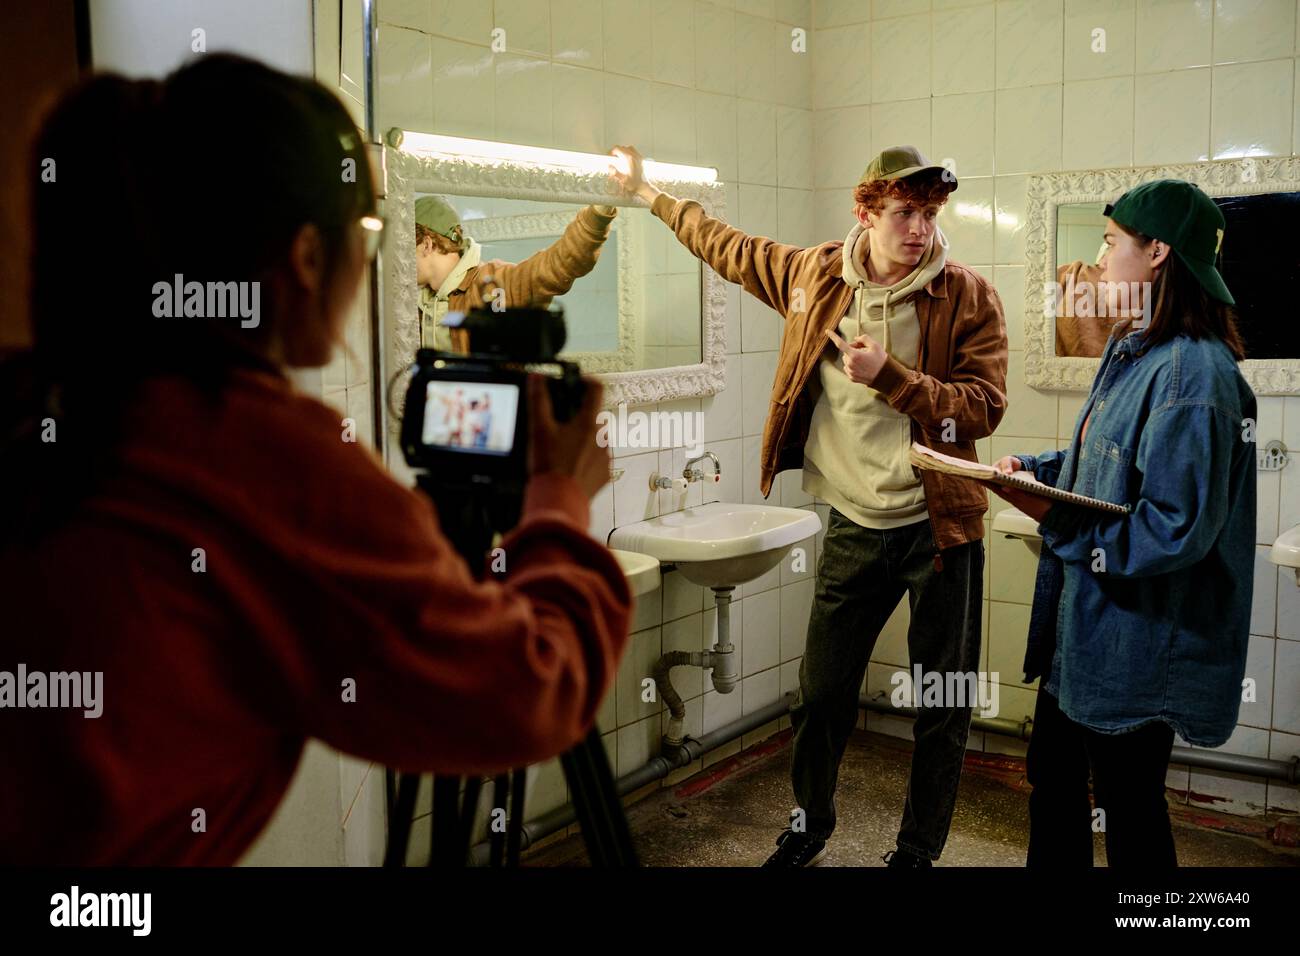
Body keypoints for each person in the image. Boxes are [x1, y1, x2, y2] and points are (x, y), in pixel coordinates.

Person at [0, 54, 630, 865]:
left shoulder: (39, 401)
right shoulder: (267, 464)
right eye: (364, 237)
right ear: (304, 258)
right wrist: (558, 500)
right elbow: (532, 690)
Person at [612, 144, 1009, 867]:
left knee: (942, 706)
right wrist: (649, 193)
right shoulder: (813, 276)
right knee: (820, 697)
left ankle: (916, 854)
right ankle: (807, 829)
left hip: (940, 529)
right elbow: (725, 247)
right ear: (864, 211)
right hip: (854, 525)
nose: (917, 229)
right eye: (902, 213)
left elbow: (982, 410)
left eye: (926, 214)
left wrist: (892, 376)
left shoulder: (967, 294)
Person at [991, 179, 1256, 868]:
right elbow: (1106, 458)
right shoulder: (1132, 351)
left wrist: (1052, 516)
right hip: (1082, 637)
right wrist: (1042, 471)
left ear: (1159, 252)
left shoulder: (1193, 376)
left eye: (1111, 244)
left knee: (1129, 805)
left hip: (1137, 648)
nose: (1099, 263)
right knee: (1052, 779)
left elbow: (1174, 528)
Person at [416, 194, 618, 350]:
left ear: (426, 244)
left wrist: (599, 212)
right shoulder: (410, 301)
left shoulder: (497, 282)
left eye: (405, 248)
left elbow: (559, 264)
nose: (399, 258)